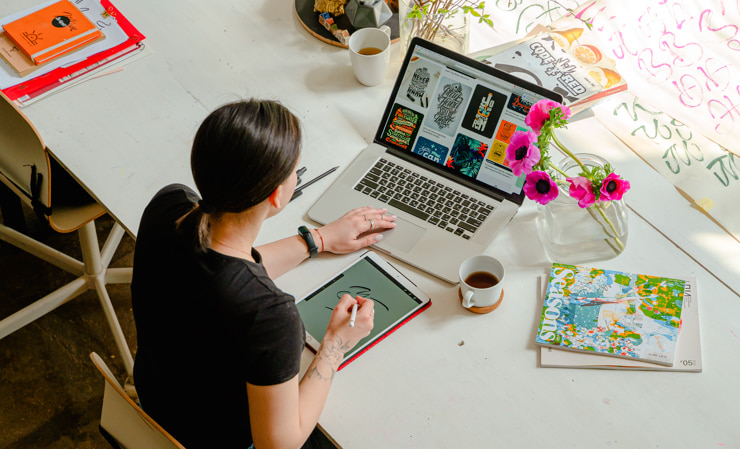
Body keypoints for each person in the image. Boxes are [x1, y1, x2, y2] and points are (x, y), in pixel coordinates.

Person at [130, 99, 396, 449]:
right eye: (294, 170)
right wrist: (335, 345)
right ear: (276, 194)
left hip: (159, 409)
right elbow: (279, 445)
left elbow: (224, 269)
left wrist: (318, 239)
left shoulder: (170, 206)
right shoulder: (270, 315)